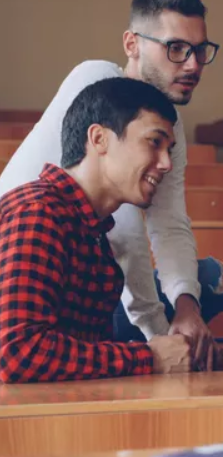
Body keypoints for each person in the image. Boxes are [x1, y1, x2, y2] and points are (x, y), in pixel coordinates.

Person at [0, 0, 223, 371]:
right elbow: (124, 235)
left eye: (200, 51)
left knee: (210, 282)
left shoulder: (167, 127)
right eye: (176, 48)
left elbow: (170, 224)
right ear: (132, 44)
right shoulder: (96, 84)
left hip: (87, 252)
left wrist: (185, 309)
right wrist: (156, 348)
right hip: (30, 252)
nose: (193, 65)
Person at [0, 78, 196, 383]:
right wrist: (149, 357)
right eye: (154, 142)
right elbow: (17, 354)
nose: (167, 164)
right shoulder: (40, 212)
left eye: (168, 149)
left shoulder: (92, 231)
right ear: (99, 138)